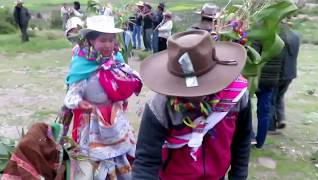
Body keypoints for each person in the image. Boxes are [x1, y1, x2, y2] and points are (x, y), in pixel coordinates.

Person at [133, 30, 252, 179]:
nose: (196, 96)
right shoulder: (159, 105)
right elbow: (146, 160)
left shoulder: (237, 96)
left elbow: (241, 141)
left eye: (204, 85)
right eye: (188, 90)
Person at [64, 15, 142, 179]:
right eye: (103, 40)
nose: (108, 44)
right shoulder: (82, 65)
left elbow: (131, 77)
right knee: (92, 165)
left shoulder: (117, 60)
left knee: (121, 159)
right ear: (91, 41)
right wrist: (80, 102)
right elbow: (71, 95)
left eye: (111, 40)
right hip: (91, 124)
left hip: (115, 121)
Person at [270, 22, 300, 131]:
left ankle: (272, 126)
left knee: (272, 98)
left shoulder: (278, 37)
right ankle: (281, 118)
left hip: (279, 73)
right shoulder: (296, 36)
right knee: (279, 96)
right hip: (290, 73)